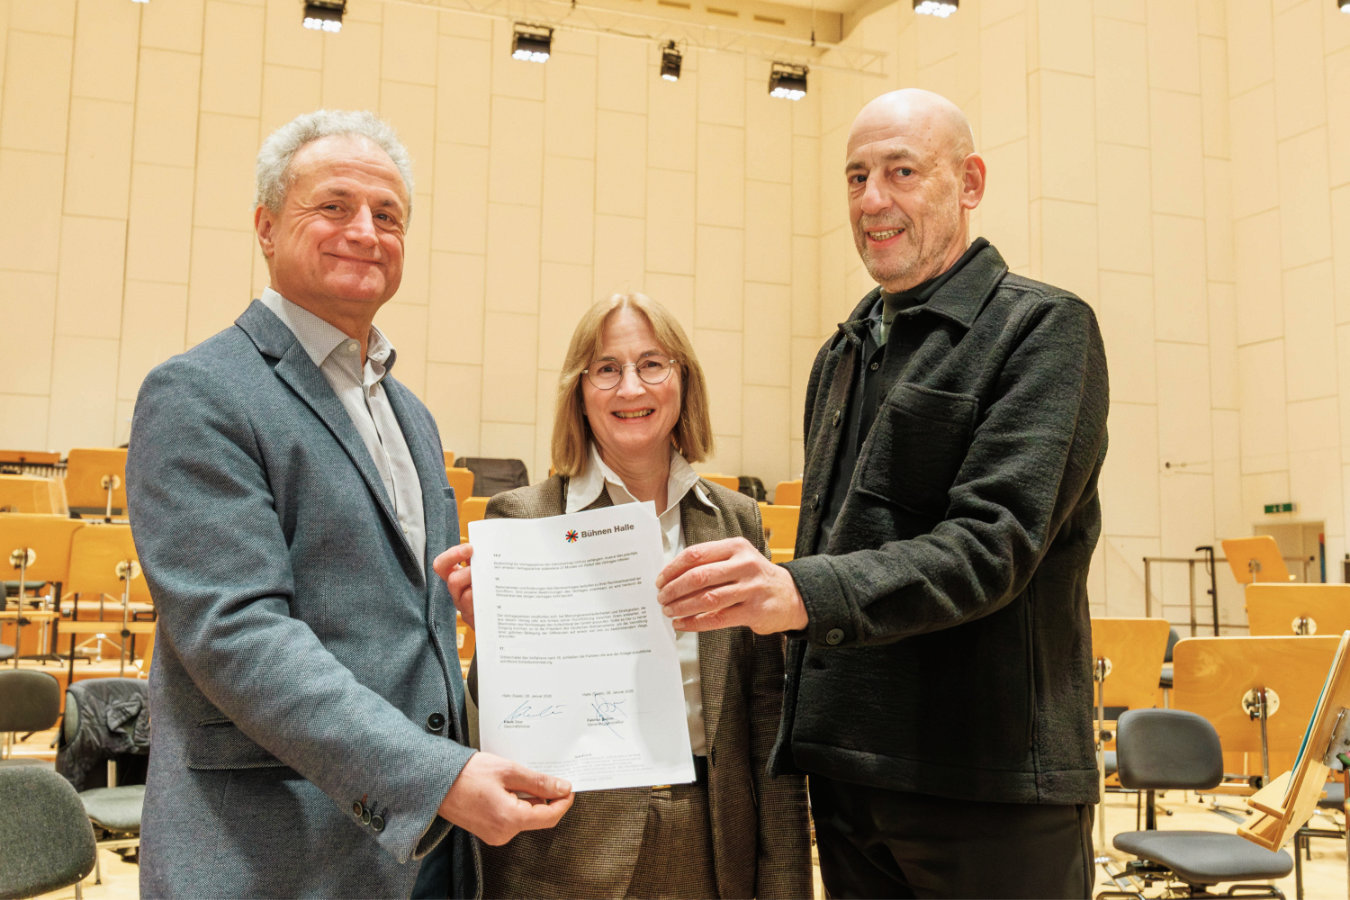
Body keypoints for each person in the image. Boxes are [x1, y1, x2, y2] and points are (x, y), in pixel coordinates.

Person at [656, 88, 1110, 898]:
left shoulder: (1042, 329)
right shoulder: (842, 351)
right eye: (856, 177)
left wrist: (800, 590)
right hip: (849, 775)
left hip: (989, 786)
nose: (873, 201)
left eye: (902, 172)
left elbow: (991, 545)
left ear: (969, 183)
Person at [125, 109, 573, 899]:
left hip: (428, 849)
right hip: (278, 856)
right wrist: (431, 778)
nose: (365, 231)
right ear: (266, 227)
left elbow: (407, 625)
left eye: (388, 216)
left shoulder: (413, 415)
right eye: (333, 206)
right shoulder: (199, 393)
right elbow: (237, 634)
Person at [433, 293, 811, 899]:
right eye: (606, 368)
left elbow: (767, 718)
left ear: (683, 380)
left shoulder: (736, 522)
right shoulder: (524, 518)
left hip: (712, 848)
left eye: (652, 364)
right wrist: (495, 641)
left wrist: (785, 884)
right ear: (580, 392)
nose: (630, 387)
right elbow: (503, 721)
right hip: (564, 850)